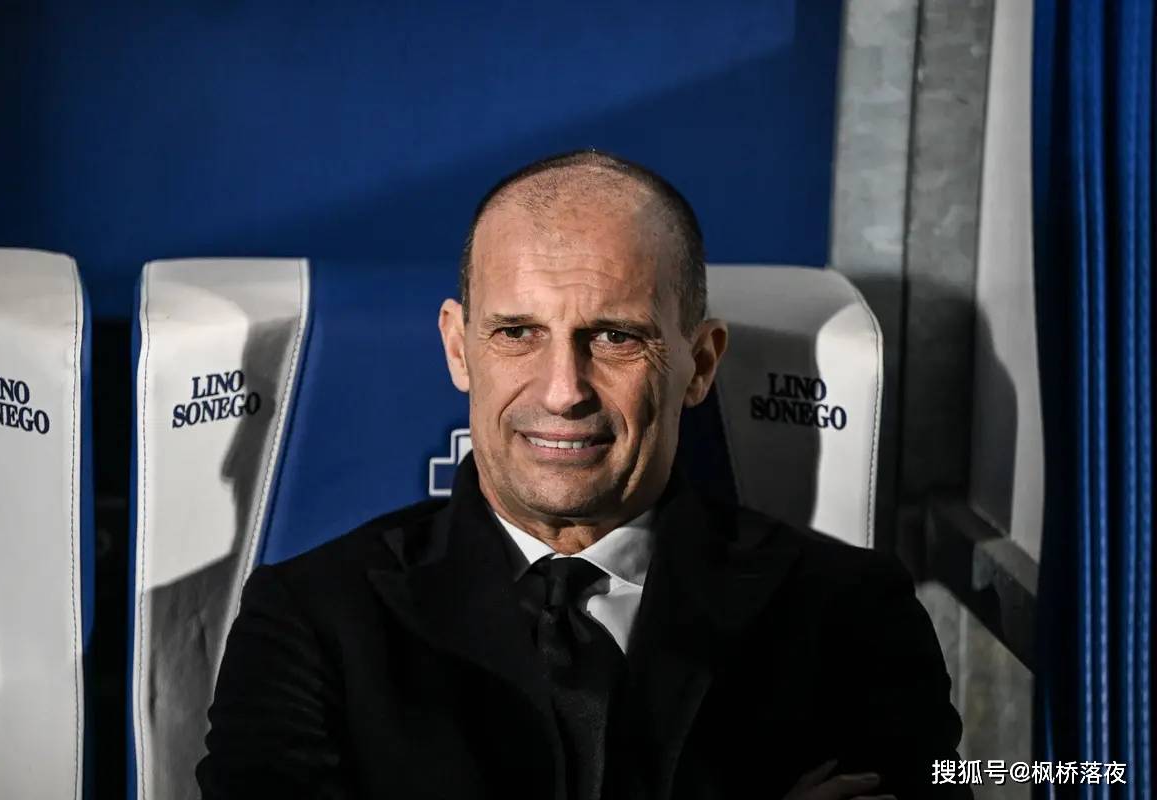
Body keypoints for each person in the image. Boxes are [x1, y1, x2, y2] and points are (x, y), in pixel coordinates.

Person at [197, 150, 970, 799]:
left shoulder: (852, 614)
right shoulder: (309, 619)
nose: (563, 390)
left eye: (614, 336)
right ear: (460, 349)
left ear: (700, 364)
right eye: (517, 332)